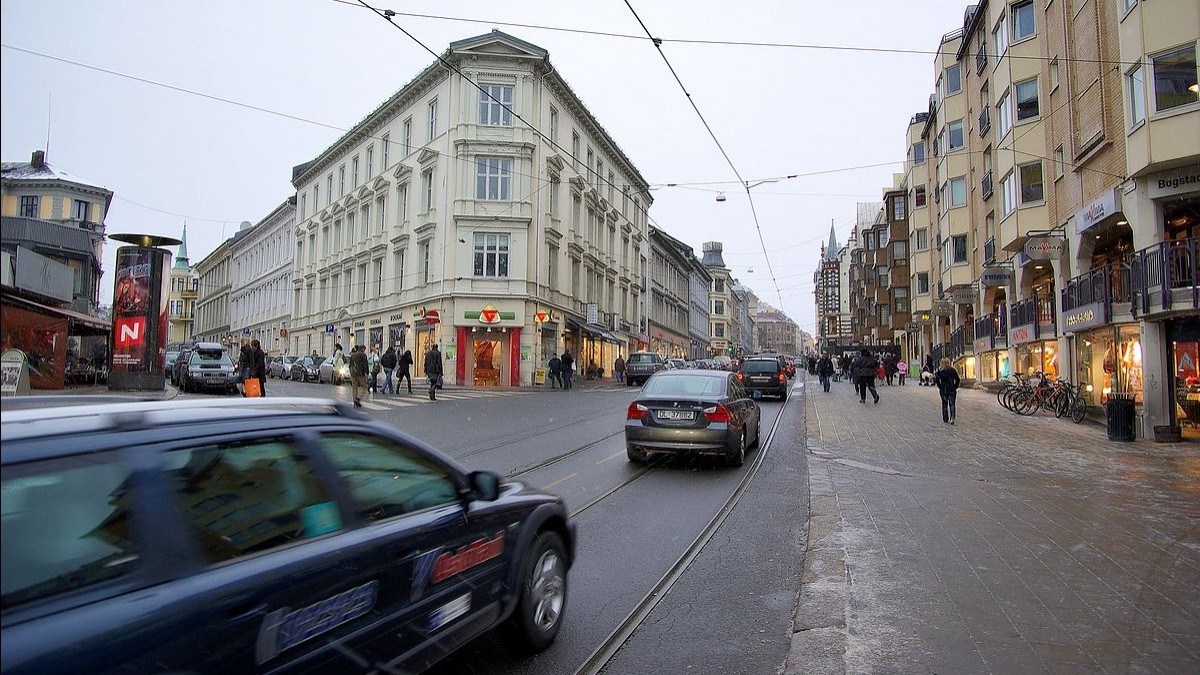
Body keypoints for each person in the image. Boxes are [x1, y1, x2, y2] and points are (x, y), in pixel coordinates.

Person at [934, 357, 961, 424]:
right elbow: (957, 379)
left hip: (943, 389)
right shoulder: (952, 370)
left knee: (944, 404)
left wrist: (940, 387)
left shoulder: (939, 372)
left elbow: (937, 381)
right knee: (952, 404)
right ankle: (952, 417)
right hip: (951, 389)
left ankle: (945, 418)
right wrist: (955, 386)